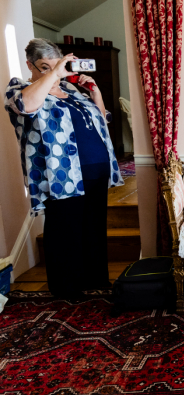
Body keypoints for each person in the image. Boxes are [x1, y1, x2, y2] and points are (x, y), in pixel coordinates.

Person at [4, 38, 123, 298]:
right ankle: (66, 289)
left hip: (97, 170)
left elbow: (102, 121)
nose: (53, 72)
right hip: (61, 174)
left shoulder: (72, 92)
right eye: (44, 66)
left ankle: (96, 281)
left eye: (55, 65)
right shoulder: (20, 89)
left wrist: (95, 93)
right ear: (30, 65)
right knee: (64, 230)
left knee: (93, 228)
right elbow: (26, 106)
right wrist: (54, 74)